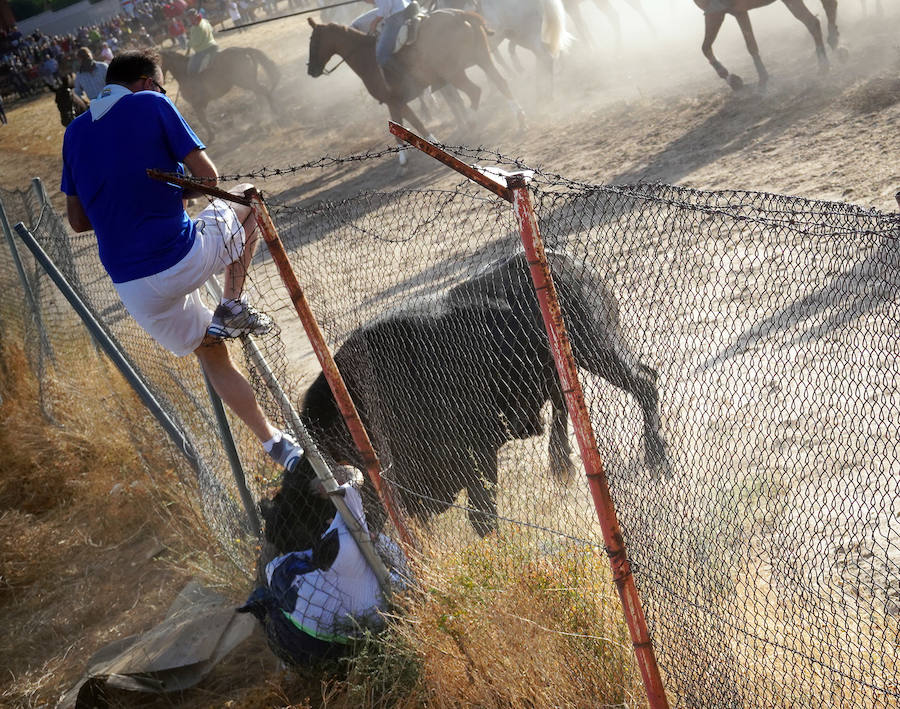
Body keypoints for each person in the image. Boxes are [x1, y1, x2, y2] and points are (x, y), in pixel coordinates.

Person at [59, 49, 303, 474]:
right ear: (144, 82)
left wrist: (123, 202)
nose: (162, 92)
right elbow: (209, 179)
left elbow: (78, 221)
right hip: (180, 256)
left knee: (212, 353)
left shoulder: (74, 132)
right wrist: (168, 194)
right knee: (248, 196)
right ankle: (232, 304)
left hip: (133, 288)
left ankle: (275, 445)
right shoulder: (150, 102)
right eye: (160, 85)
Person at [239, 463, 407, 665]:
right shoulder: (351, 527)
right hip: (346, 638)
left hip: (303, 636)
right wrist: (377, 540)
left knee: (270, 600)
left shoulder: (296, 565)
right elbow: (353, 477)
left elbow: (273, 569)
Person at [186, 8, 218, 74]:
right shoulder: (204, 21)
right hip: (214, 45)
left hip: (204, 50)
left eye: (190, 17)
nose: (190, 19)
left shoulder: (197, 27)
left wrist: (189, 44)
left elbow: (196, 43)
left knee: (192, 69)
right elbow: (212, 30)